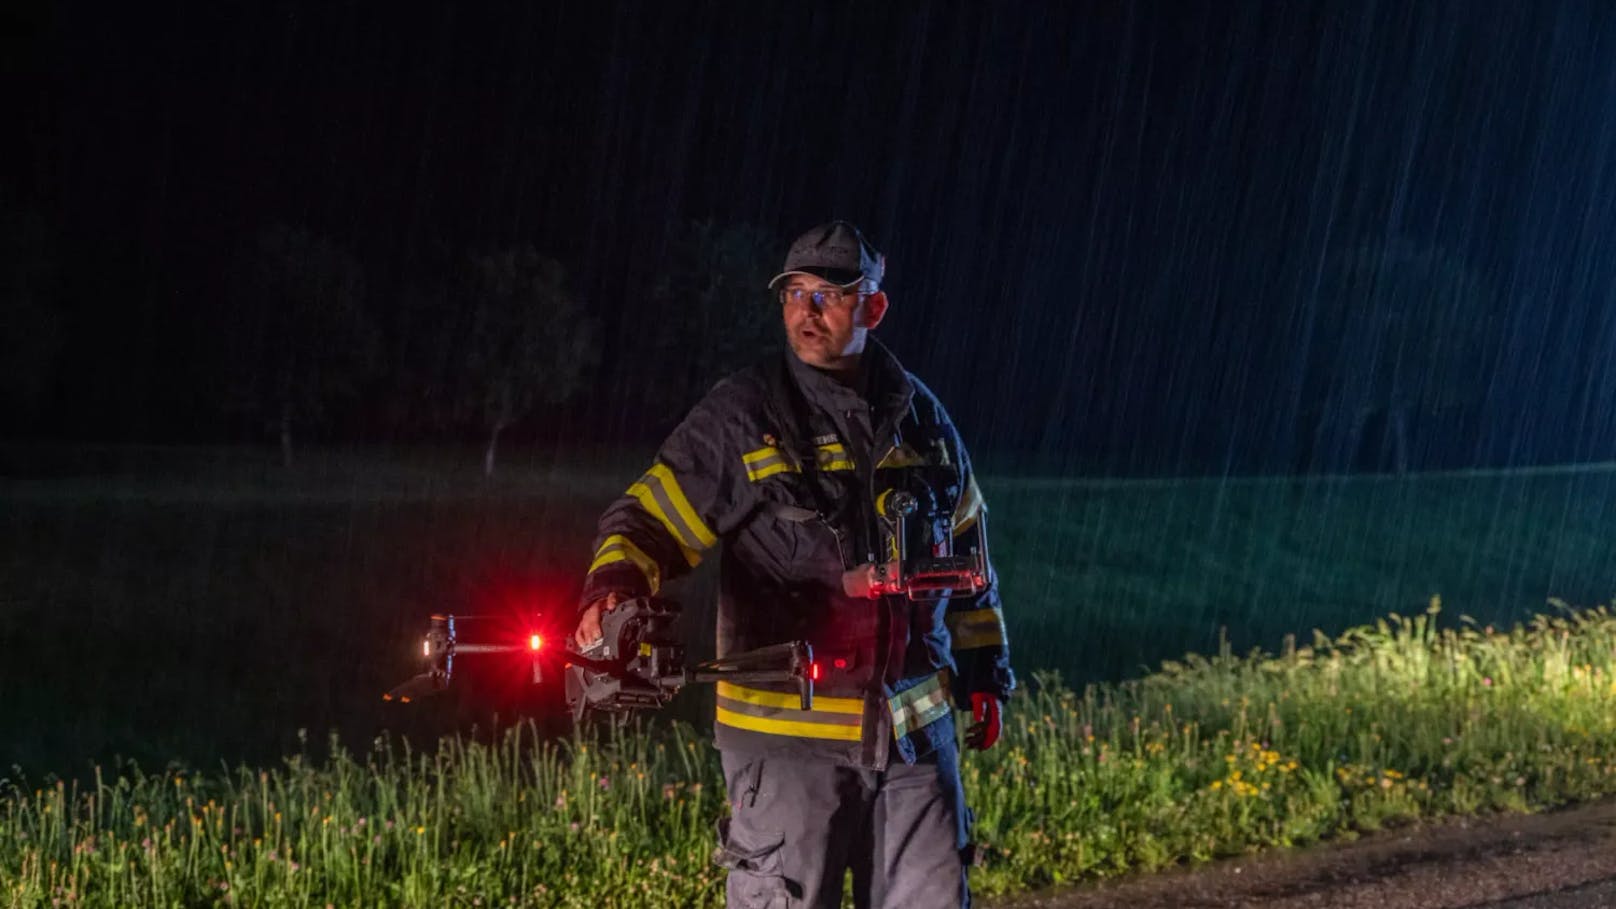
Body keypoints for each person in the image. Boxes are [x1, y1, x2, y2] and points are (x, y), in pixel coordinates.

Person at [573, 221, 1014, 908]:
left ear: (872, 308)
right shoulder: (745, 416)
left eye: (829, 295)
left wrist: (985, 669)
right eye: (794, 293)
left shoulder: (923, 421)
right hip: (787, 749)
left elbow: (971, 554)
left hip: (913, 745)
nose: (806, 313)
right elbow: (647, 518)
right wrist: (614, 589)